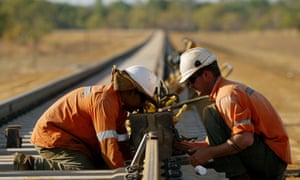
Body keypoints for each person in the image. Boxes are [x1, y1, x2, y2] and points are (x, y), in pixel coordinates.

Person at [174, 47, 291, 180]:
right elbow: (215, 142)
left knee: (211, 114)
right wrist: (184, 146)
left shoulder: (227, 97)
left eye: (191, 80)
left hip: (272, 163)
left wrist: (209, 153)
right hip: (271, 157)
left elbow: (245, 139)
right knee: (213, 115)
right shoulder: (226, 91)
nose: (190, 86)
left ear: (206, 74)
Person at [13, 65, 159, 170]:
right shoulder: (105, 102)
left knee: (102, 165)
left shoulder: (119, 106)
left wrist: (130, 164)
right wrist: (123, 174)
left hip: (74, 141)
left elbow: (119, 144)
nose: (142, 106)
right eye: (143, 100)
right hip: (53, 138)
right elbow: (108, 147)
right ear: (132, 92)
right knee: (84, 170)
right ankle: (30, 163)